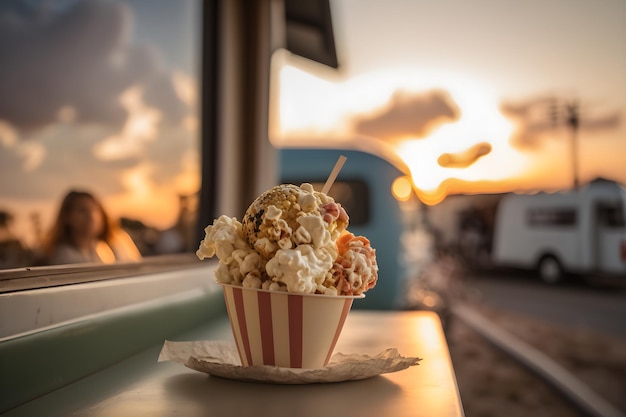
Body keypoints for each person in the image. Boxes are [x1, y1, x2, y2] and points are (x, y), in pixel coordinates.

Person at [41, 190, 141, 265]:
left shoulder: (104, 248)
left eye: (94, 210)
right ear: (67, 217)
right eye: (82, 210)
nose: (91, 216)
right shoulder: (63, 257)